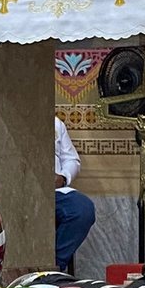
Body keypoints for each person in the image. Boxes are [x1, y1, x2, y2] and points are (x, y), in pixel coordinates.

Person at [55, 116, 95, 270]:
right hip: (19, 190)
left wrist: (63, 177)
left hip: (55, 192)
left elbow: (72, 160)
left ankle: (54, 265)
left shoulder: (56, 123)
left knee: (82, 209)